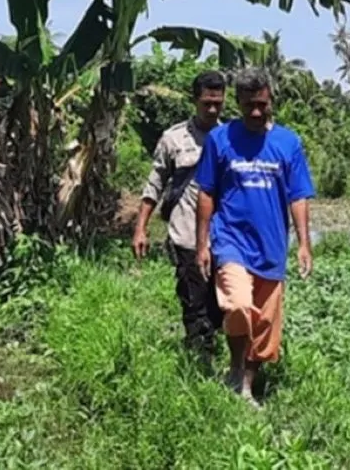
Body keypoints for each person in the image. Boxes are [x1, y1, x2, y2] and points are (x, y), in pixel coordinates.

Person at [194, 68, 315, 407]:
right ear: (238, 103)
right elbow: (206, 193)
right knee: (237, 304)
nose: (256, 112)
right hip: (230, 239)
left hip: (272, 247)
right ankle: (234, 366)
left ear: (271, 100)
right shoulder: (221, 140)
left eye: (262, 104)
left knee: (264, 324)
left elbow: (298, 196)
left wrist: (304, 244)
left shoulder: (288, 143)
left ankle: (245, 386)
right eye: (249, 106)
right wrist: (203, 244)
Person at [132, 70, 228, 363]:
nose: (212, 109)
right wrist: (141, 229)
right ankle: (200, 365)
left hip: (223, 238)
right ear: (194, 100)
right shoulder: (173, 139)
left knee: (220, 304)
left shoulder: (231, 138)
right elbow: (155, 185)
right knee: (194, 301)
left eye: (218, 103)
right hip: (186, 235)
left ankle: (213, 350)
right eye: (206, 103)